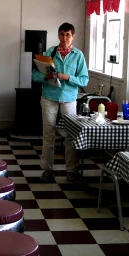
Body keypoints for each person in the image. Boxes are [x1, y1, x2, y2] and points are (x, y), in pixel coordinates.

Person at [32, 22, 89, 183]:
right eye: (62, 34)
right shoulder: (50, 52)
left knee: (71, 135)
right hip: (49, 97)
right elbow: (34, 75)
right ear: (58, 35)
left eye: (68, 35)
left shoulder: (78, 55)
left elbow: (84, 80)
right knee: (48, 135)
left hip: (69, 99)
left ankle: (72, 171)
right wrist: (45, 76)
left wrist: (67, 77)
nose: (64, 37)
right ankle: (47, 170)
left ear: (73, 36)